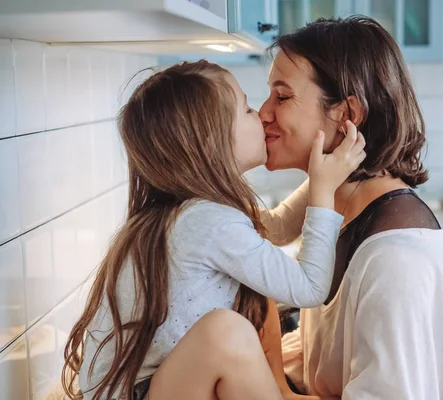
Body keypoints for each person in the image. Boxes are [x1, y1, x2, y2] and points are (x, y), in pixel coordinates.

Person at [61, 60, 365, 400]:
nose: (262, 115)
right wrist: (323, 192)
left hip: (154, 388)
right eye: (247, 109)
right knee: (227, 332)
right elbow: (309, 289)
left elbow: (276, 228)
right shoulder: (206, 221)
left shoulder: (190, 212)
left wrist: (323, 172)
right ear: (212, 140)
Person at [257, 16, 443, 399]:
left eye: (282, 96)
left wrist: (272, 385)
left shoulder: (396, 259)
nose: (263, 113)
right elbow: (328, 355)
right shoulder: (335, 197)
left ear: (347, 115)